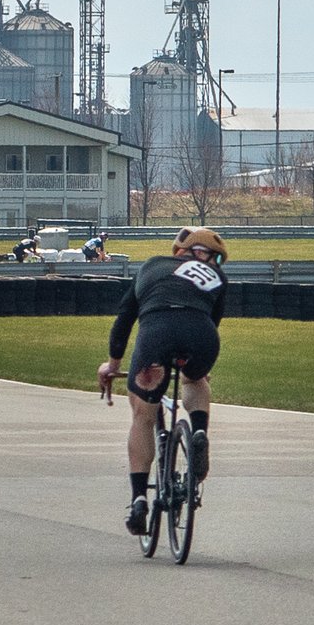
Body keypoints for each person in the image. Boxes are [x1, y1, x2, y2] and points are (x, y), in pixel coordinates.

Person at [98, 227, 228, 535]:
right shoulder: (219, 278)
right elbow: (213, 321)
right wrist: (200, 367)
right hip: (202, 335)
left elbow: (124, 320)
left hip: (156, 334)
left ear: (178, 251)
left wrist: (112, 365)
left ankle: (140, 499)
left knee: (143, 417)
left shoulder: (151, 266)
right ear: (210, 258)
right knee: (195, 380)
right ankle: (198, 432)